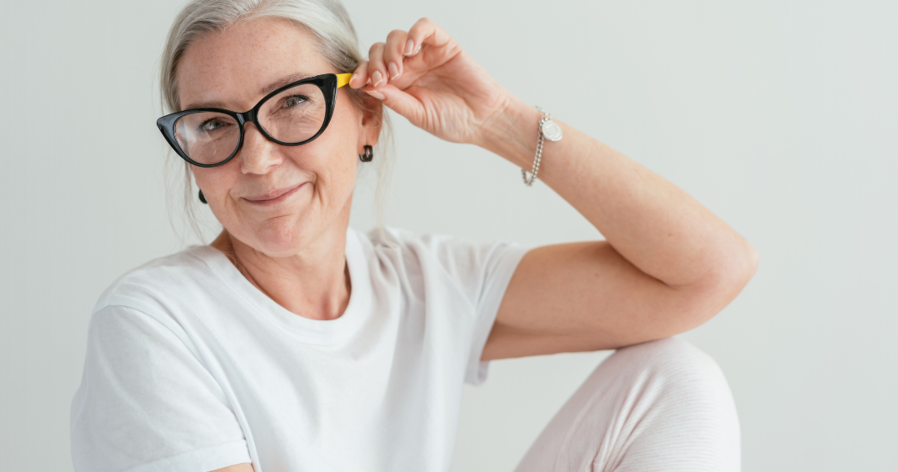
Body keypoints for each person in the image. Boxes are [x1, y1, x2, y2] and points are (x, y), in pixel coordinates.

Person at [69, 0, 759, 471]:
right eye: (214, 124)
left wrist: (501, 123)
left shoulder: (420, 283)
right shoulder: (153, 322)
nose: (255, 159)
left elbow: (705, 273)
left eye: (293, 103)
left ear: (366, 115)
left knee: (676, 378)